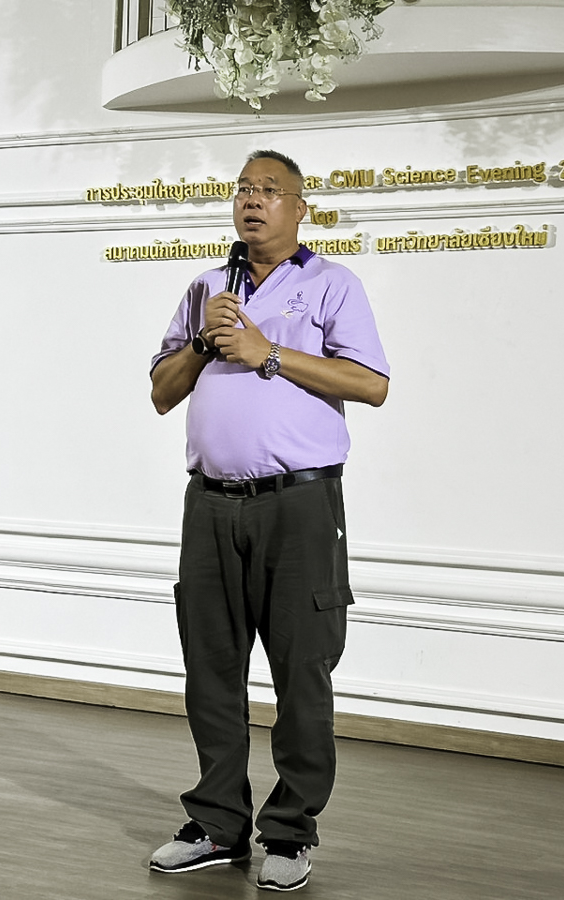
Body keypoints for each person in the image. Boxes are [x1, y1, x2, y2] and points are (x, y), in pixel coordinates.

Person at [147, 149, 389, 892]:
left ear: (299, 207)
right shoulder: (206, 287)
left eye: (270, 190)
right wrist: (203, 341)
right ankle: (218, 824)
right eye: (244, 189)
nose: (252, 200)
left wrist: (267, 353)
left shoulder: (332, 284)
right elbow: (161, 393)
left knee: (301, 671)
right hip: (210, 505)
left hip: (299, 506)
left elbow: (371, 384)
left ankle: (289, 829)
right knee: (210, 671)